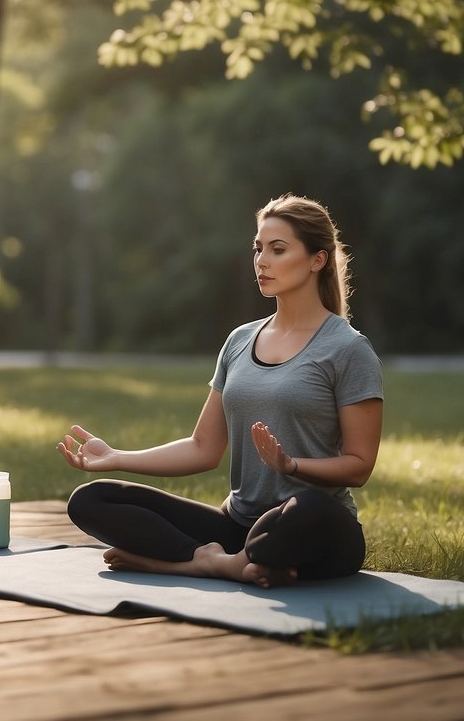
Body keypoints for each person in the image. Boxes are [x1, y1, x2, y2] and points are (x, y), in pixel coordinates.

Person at [56, 194, 383, 589]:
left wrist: (292, 466)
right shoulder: (240, 341)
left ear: (318, 260)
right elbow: (203, 448)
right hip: (240, 525)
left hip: (313, 527)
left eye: (278, 250)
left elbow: (359, 465)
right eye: (258, 249)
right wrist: (117, 457)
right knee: (91, 500)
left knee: (308, 508)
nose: (262, 260)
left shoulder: (348, 349)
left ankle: (186, 565)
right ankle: (233, 562)